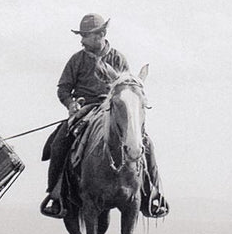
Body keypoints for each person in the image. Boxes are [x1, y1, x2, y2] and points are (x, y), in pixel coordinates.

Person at [40, 13, 168, 219]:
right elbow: (63, 88)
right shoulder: (77, 60)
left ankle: (152, 193)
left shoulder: (118, 58)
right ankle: (56, 194)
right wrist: (71, 103)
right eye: (82, 35)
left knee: (146, 143)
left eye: (86, 35)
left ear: (101, 34)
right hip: (86, 108)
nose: (82, 40)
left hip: (114, 109)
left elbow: (129, 87)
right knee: (58, 143)